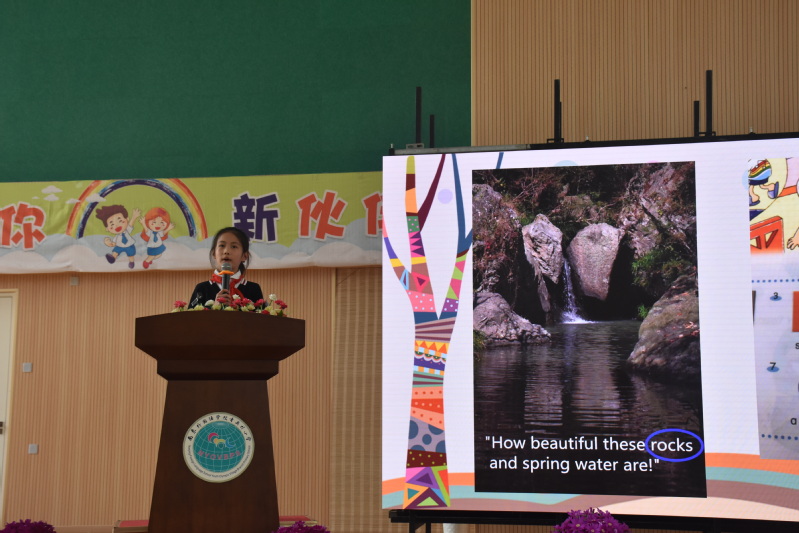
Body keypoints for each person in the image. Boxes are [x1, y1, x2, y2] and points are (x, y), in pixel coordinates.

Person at [189, 227, 263, 307]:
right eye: (222, 245)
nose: (226, 251)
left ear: (244, 256)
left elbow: (261, 314)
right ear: (214, 253)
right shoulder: (202, 288)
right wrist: (214, 308)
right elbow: (191, 314)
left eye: (234, 246)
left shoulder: (253, 289)